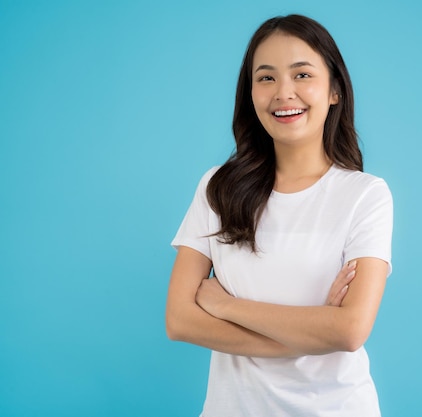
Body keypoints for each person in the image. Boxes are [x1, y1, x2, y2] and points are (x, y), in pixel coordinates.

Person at [166, 14, 393, 417]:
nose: (284, 93)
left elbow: (350, 330)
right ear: (250, 92)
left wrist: (226, 305)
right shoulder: (217, 187)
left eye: (302, 74)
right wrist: (310, 332)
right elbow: (180, 319)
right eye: (266, 78)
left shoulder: (365, 195)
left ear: (334, 89)